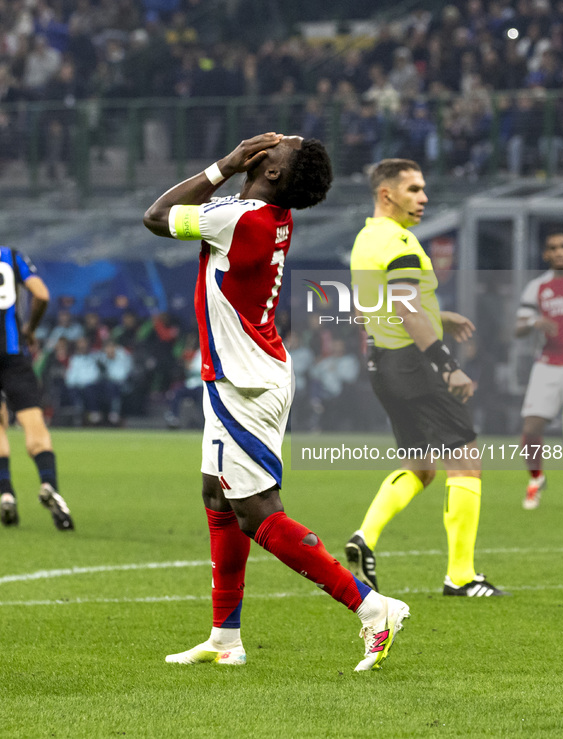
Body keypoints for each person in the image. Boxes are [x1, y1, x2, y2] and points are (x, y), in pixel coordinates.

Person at [143, 132, 410, 671]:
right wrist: (238, 168)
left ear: (269, 173)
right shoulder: (264, 213)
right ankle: (225, 638)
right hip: (237, 376)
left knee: (257, 512)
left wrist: (224, 163)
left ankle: (372, 607)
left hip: (247, 383)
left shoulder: (241, 217)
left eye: (280, 146)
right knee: (217, 497)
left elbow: (156, 215)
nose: (273, 141)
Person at [344, 158, 505, 597]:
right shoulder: (400, 242)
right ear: (387, 194)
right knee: (466, 461)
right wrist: (447, 364)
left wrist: (440, 315)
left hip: (383, 364)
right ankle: (462, 576)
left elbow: (368, 308)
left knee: (420, 466)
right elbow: (407, 309)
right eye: (414, 189)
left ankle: (365, 536)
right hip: (415, 364)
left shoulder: (365, 240)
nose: (423, 197)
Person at [515, 231, 563, 509]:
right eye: (552, 248)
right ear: (546, 255)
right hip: (547, 364)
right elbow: (518, 328)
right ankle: (536, 479)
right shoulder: (537, 288)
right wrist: (534, 323)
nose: (558, 252)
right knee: (531, 428)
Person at [0, 247, 74, 531]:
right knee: (34, 426)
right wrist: (30, 328)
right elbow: (41, 294)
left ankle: (6, 493)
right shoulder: (10, 255)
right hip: (13, 355)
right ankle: (48, 485)